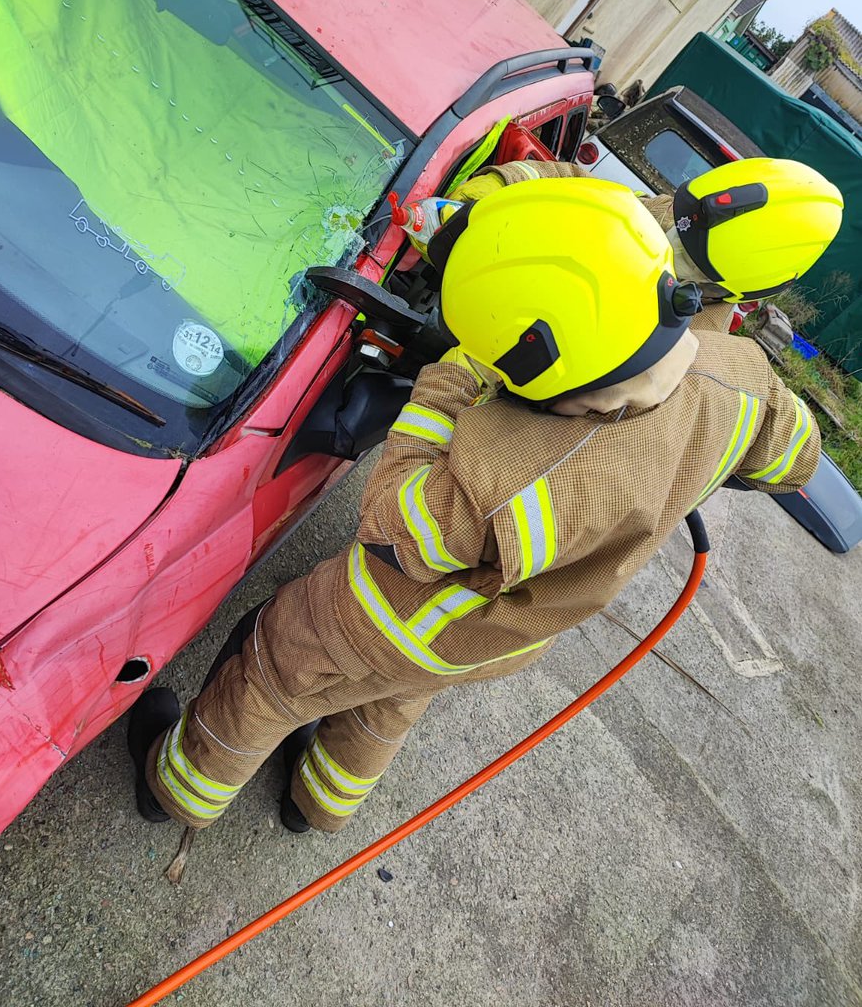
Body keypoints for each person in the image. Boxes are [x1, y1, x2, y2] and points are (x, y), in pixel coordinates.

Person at [127, 179, 822, 836]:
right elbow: (796, 459)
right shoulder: (741, 379)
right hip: (496, 634)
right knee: (393, 697)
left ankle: (178, 789)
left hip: (393, 614)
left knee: (278, 666)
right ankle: (315, 807)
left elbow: (399, 531)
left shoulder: (520, 469)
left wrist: (454, 378)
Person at [455, 156, 843, 333]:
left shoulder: (692, 355)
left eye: (688, 262)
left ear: (735, 291)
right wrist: (500, 186)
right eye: (678, 227)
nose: (667, 241)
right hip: (484, 290)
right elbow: (574, 183)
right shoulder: (667, 212)